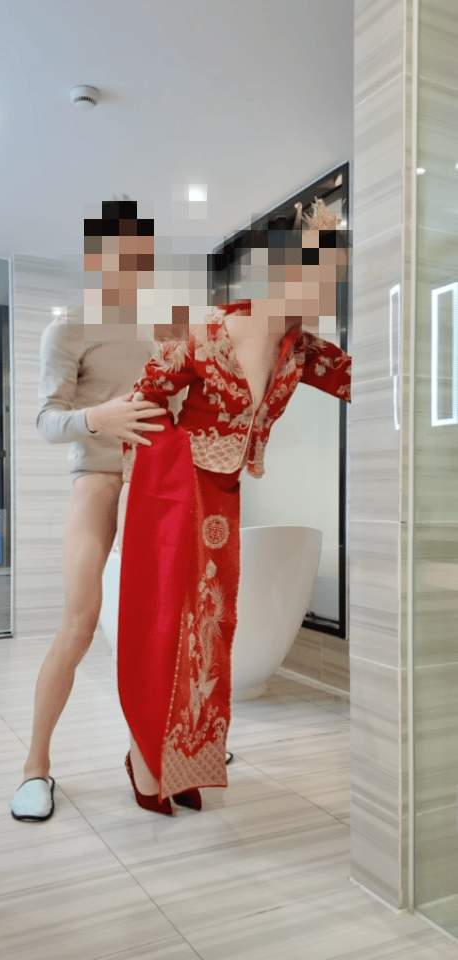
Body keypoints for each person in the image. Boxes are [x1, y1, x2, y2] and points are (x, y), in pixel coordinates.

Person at [116, 197, 352, 815]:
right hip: (171, 489)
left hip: (220, 497)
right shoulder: (209, 328)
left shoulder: (302, 352)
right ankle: (144, 759)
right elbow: (143, 401)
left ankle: (184, 761)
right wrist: (163, 469)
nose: (330, 290)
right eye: (323, 274)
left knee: (210, 626)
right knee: (164, 622)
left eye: (336, 278)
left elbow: (364, 380)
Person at [10, 201, 170, 821]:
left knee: (164, 627)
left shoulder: (162, 327)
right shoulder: (68, 328)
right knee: (79, 624)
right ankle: (35, 766)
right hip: (98, 480)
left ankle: (163, 749)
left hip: (159, 485)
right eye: (120, 256)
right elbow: (46, 421)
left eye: (141, 258)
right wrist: (98, 417)